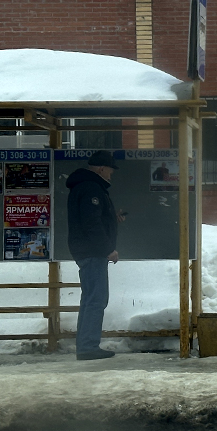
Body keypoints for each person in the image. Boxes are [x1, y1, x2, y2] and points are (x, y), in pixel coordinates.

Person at [66, 150, 126, 361]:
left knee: (90, 299)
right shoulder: (91, 188)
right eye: (110, 170)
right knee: (96, 299)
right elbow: (91, 223)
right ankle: (88, 347)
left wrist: (112, 217)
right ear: (102, 168)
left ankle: (85, 345)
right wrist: (107, 249)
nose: (111, 174)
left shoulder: (83, 187)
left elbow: (92, 218)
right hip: (92, 252)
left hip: (85, 250)